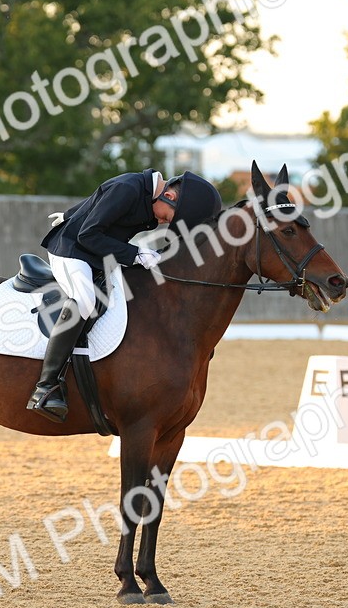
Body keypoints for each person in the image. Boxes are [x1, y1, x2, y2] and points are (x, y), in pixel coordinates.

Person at [27, 168, 222, 422]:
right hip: (71, 250)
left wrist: (71, 213)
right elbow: (88, 234)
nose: (165, 224)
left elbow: (99, 198)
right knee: (85, 301)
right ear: (171, 197)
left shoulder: (146, 193)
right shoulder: (130, 188)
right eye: (171, 220)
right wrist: (135, 254)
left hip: (97, 253)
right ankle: (46, 386)